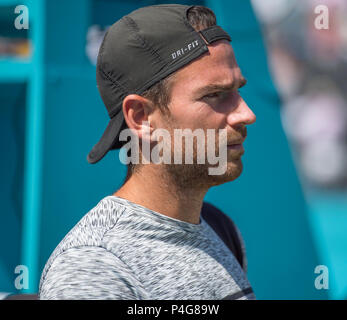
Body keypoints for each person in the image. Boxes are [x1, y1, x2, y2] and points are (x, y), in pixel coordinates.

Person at [39, 4, 257, 300]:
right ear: (141, 117)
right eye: (215, 95)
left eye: (237, 90)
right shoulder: (95, 266)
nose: (245, 114)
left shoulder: (219, 227)